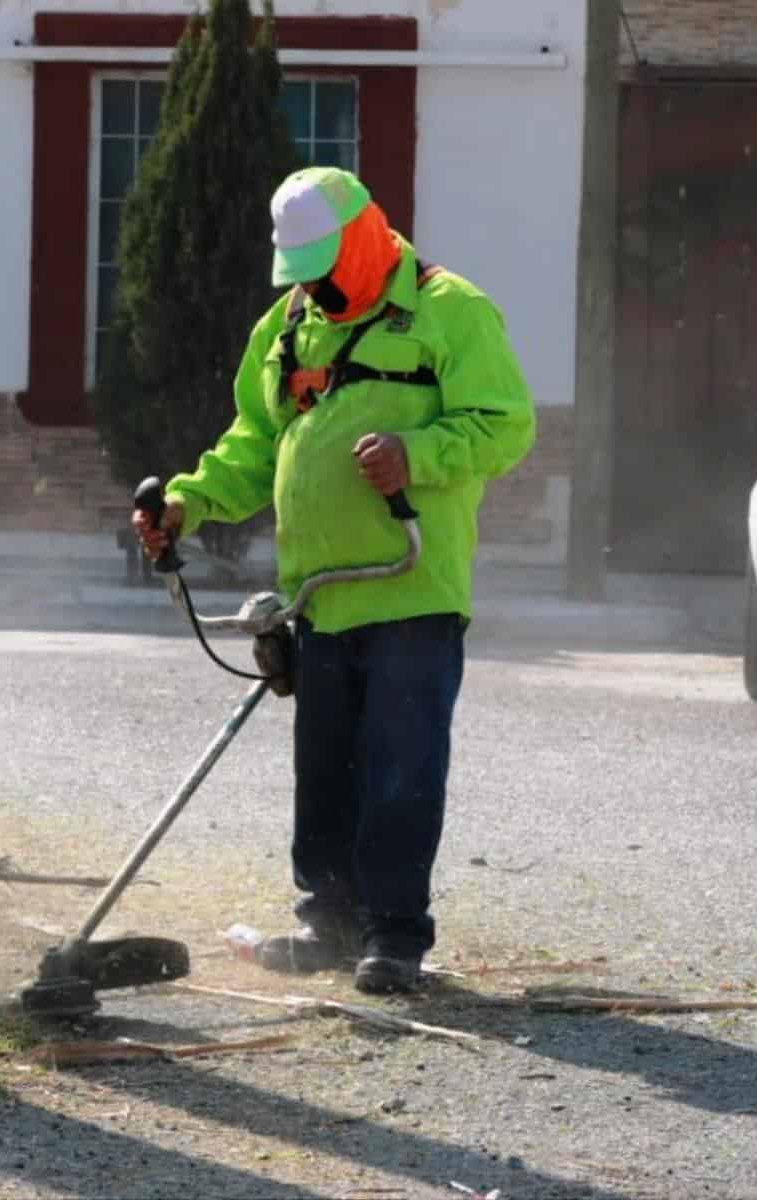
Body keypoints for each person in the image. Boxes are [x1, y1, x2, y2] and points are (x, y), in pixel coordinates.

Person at [132, 166, 535, 994]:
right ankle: (329, 923)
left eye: (325, 263)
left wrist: (414, 456)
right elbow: (253, 442)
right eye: (301, 269)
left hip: (411, 584)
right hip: (320, 596)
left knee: (400, 765)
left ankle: (392, 936)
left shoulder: (450, 311)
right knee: (326, 769)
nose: (313, 283)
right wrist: (187, 505)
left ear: (366, 235)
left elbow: (506, 427)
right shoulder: (287, 327)